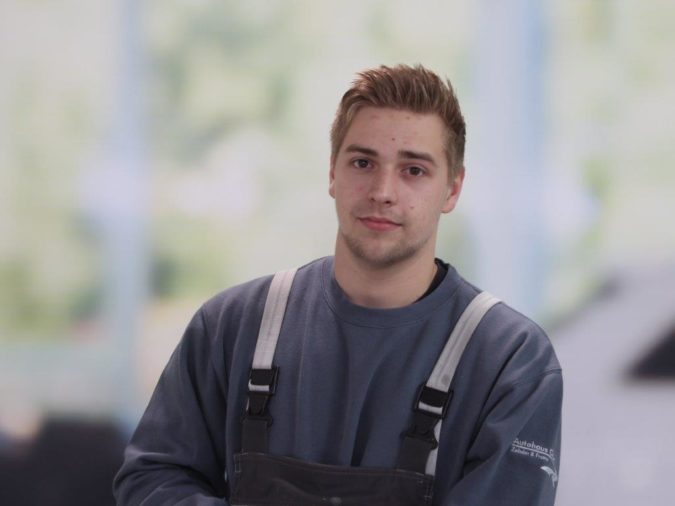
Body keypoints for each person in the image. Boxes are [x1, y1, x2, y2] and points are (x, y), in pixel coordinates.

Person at [114, 64, 562, 505]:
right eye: (363, 163)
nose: (382, 191)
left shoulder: (511, 362)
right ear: (332, 172)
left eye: (413, 170)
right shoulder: (231, 328)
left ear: (452, 189)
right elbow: (152, 481)